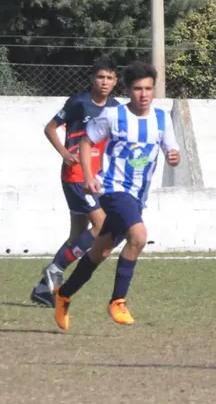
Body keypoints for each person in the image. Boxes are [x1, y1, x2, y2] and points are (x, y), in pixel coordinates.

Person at [53, 61, 180, 331]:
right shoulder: (114, 116)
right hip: (112, 190)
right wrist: (89, 177)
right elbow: (86, 141)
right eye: (137, 89)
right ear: (128, 90)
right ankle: (118, 301)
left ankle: (63, 295)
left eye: (148, 88)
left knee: (101, 251)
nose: (143, 94)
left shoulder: (161, 118)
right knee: (139, 236)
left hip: (137, 196)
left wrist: (174, 157)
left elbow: (172, 151)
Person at [30, 58, 120, 307]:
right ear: (92, 79)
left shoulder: (115, 108)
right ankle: (55, 268)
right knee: (102, 225)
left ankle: (42, 289)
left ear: (115, 82)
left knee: (77, 235)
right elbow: (50, 128)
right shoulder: (78, 102)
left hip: (96, 178)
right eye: (100, 77)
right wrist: (64, 152)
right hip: (76, 175)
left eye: (110, 78)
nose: (104, 82)